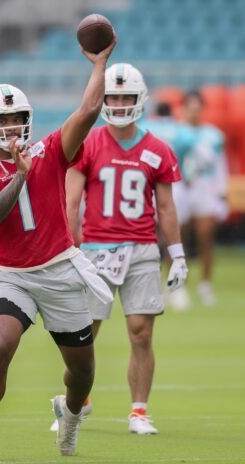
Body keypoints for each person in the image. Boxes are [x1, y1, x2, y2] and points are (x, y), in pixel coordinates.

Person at [0, 37, 116, 462]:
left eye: (16, 118)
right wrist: (19, 177)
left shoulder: (49, 151)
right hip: (12, 276)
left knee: (82, 373)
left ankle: (71, 412)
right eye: (1, 120)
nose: (10, 127)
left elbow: (88, 112)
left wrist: (99, 64)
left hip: (60, 269)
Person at [62, 63, 187, 435]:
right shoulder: (89, 143)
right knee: (83, 336)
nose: (117, 103)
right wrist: (70, 248)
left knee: (141, 332)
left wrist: (177, 253)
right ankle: (76, 402)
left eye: (124, 97)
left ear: (139, 100)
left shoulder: (157, 149)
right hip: (97, 248)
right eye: (112, 96)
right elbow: (70, 202)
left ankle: (138, 410)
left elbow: (166, 207)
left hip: (142, 249)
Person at [139, 101, 202, 311]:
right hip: (175, 183)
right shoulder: (183, 131)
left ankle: (153, 283)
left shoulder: (146, 127)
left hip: (146, 183)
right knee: (173, 235)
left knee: (151, 235)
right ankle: (175, 286)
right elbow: (192, 159)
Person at [176, 92, 228, 307]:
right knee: (178, 239)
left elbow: (220, 166)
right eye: (191, 107)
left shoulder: (213, 135)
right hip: (180, 186)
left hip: (204, 188)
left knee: (205, 236)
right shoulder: (176, 133)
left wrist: (222, 194)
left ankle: (205, 285)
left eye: (198, 107)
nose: (194, 111)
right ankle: (178, 286)